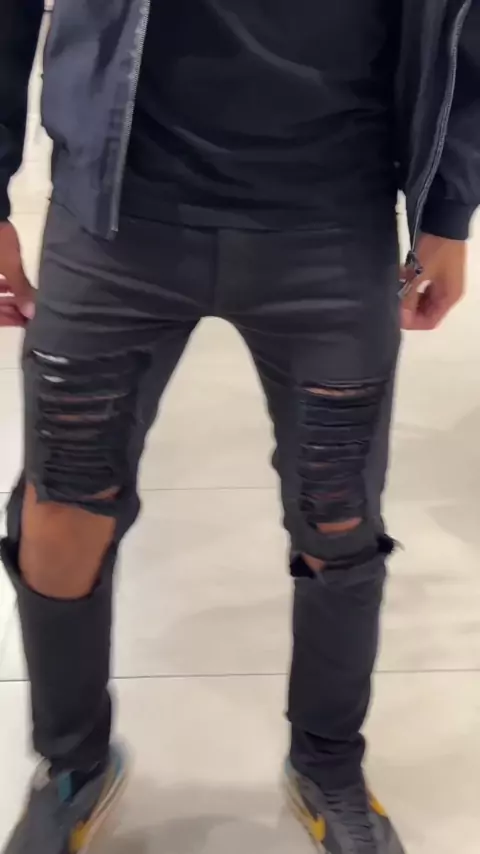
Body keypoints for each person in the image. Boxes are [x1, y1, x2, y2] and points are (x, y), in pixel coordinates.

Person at [0, 1, 479, 852]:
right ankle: (72, 763)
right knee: (63, 506)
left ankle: (328, 764)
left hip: (333, 223)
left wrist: (450, 208)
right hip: (115, 215)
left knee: (337, 516)